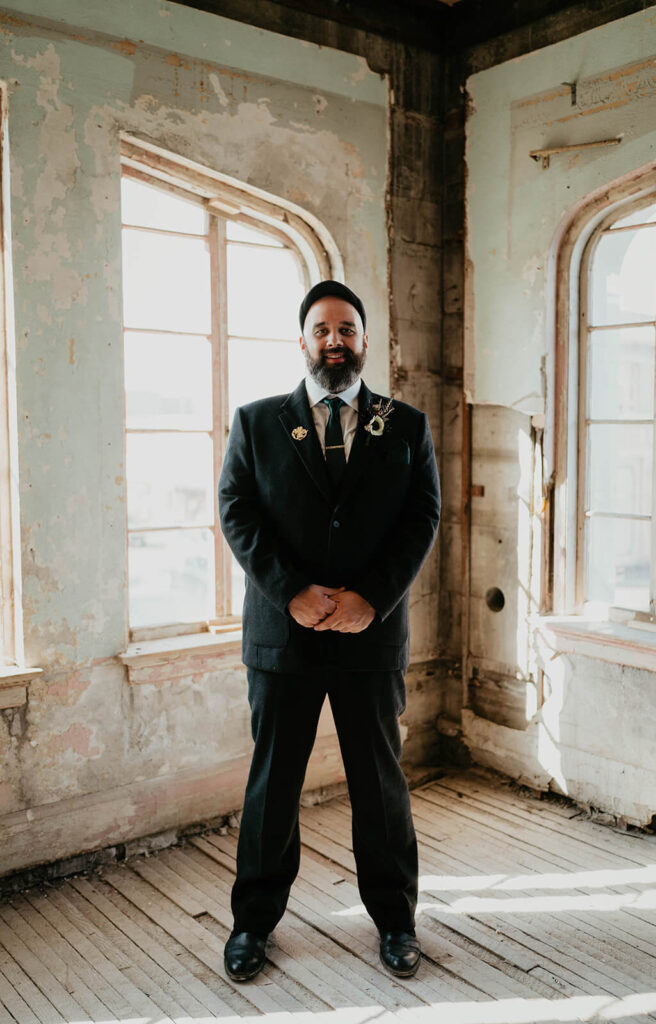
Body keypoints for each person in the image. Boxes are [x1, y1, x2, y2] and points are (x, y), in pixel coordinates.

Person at [217, 280, 441, 982]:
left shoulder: (404, 425)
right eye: (321, 329)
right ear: (304, 340)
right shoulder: (256, 423)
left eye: (346, 329)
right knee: (272, 786)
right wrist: (290, 593)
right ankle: (252, 926)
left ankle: (397, 922)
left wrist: (370, 599)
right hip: (283, 638)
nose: (334, 340)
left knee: (378, 783)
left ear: (365, 341)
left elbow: (420, 519)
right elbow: (236, 510)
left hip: (367, 637)